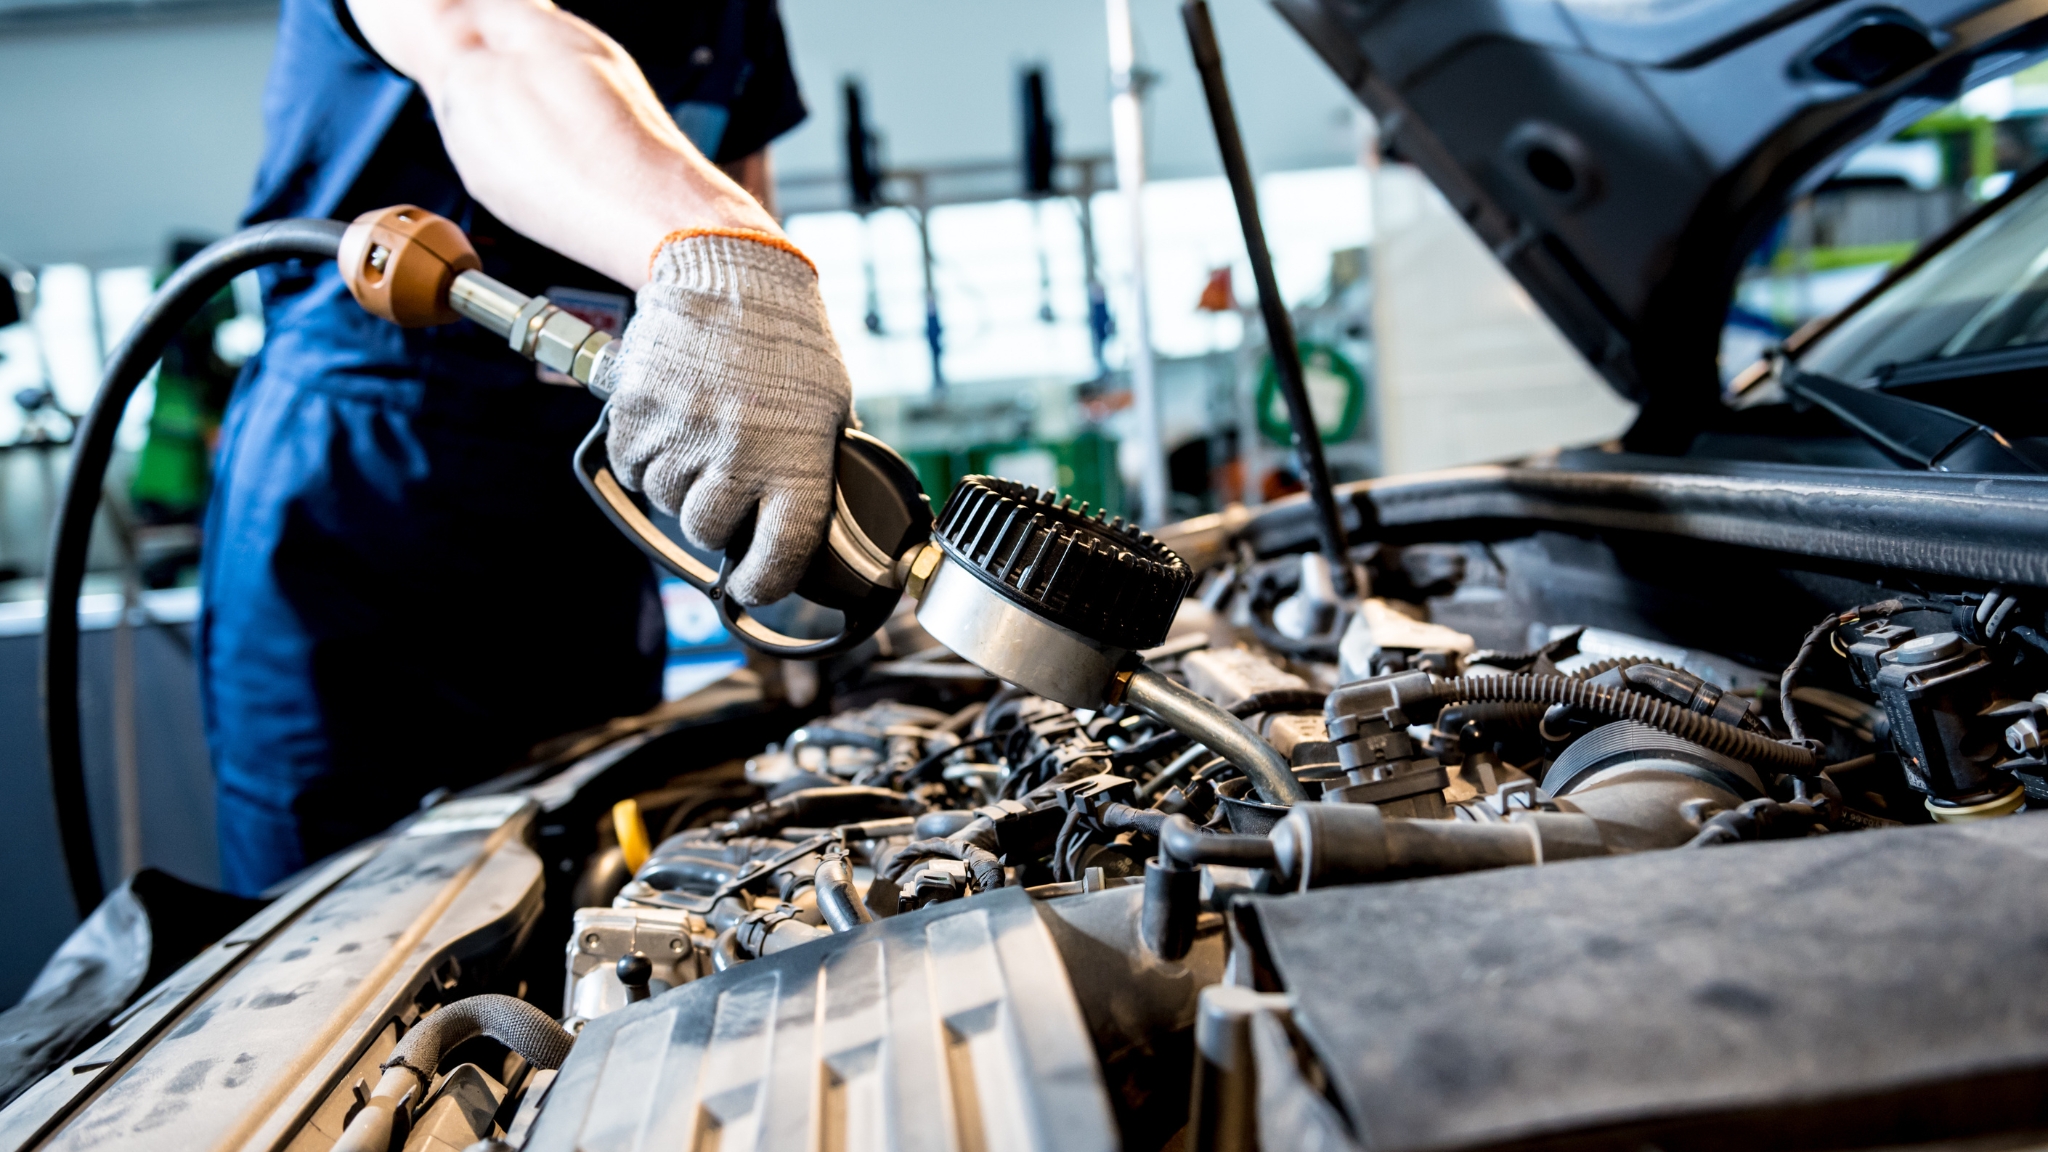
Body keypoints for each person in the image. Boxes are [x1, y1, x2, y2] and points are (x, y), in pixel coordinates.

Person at [204, 0, 852, 894]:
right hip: (361, 491)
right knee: (325, 915)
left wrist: (788, 584)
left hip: (581, 491)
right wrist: (720, 257)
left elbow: (747, 229)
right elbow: (489, 44)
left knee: (587, 874)